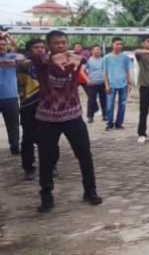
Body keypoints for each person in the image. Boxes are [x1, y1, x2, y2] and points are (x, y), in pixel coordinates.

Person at [33, 30, 102, 213]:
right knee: (47, 159)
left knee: (85, 155)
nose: (61, 46)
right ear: (49, 46)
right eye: (56, 43)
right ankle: (46, 197)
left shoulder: (75, 60)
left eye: (63, 42)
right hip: (47, 117)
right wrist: (49, 58)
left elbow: (85, 61)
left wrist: (74, 58)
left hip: (72, 116)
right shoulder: (42, 62)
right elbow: (35, 57)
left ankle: (90, 191)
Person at [18, 39, 46, 180]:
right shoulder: (22, 63)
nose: (40, 49)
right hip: (28, 105)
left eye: (42, 47)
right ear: (29, 50)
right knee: (28, 137)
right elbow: (21, 62)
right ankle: (29, 168)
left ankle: (51, 165)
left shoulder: (49, 63)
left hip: (47, 105)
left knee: (48, 137)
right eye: (36, 47)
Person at [0, 31, 23, 155]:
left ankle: (14, 146)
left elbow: (17, 49)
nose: (1, 46)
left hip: (10, 97)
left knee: (13, 124)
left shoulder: (12, 56)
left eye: (3, 45)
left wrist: (7, 35)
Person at [103, 37, 131, 131]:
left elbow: (127, 71)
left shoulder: (125, 57)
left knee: (122, 105)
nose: (119, 46)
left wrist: (129, 83)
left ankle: (119, 123)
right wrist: (106, 85)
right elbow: (105, 72)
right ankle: (109, 124)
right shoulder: (107, 57)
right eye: (117, 44)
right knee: (110, 105)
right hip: (111, 84)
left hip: (123, 84)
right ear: (112, 44)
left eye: (121, 44)